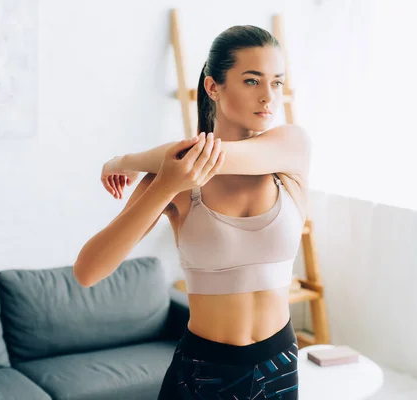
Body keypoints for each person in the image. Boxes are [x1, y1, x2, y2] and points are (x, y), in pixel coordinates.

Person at [74, 25, 310, 400]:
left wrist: (124, 160)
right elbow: (88, 272)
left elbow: (213, 156)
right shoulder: (172, 176)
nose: (269, 97)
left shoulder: (290, 148)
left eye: (277, 83)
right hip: (203, 371)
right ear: (213, 87)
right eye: (252, 81)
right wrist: (165, 185)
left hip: (278, 362)